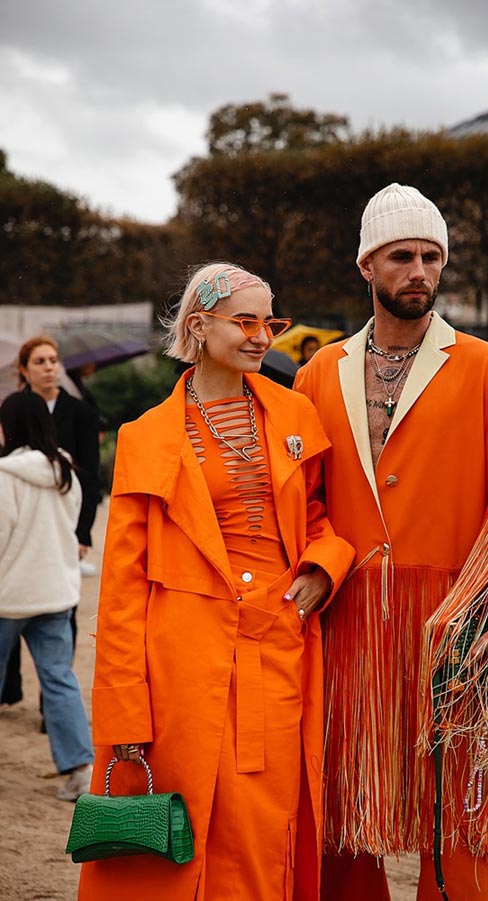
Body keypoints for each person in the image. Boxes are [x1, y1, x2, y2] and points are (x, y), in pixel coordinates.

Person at [78, 262, 354, 901]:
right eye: (247, 321)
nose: (263, 336)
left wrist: (323, 565)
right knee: (179, 834)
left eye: (271, 322)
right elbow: (121, 587)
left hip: (278, 645)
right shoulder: (145, 436)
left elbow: (319, 517)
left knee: (265, 822)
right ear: (199, 327)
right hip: (179, 659)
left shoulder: (294, 413)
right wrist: (124, 707)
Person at [295, 184, 488, 901]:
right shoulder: (318, 371)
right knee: (342, 809)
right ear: (366, 265)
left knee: (457, 815)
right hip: (349, 619)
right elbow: (302, 497)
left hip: (457, 625)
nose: (420, 271)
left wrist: (473, 614)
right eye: (402, 256)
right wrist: (317, 567)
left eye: (432, 257)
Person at [0, 391, 94, 800]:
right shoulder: (67, 471)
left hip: (8, 596)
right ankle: (80, 771)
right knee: (59, 681)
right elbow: (69, 526)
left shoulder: (5, 475)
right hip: (56, 592)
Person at [0, 337, 101, 708]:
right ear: (24, 370)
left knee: (58, 612)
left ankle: (51, 702)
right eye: (40, 361)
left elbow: (88, 477)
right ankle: (11, 688)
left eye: (54, 360)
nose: (49, 367)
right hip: (19, 514)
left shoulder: (81, 413)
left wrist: (82, 532)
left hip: (61, 524)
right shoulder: (11, 411)